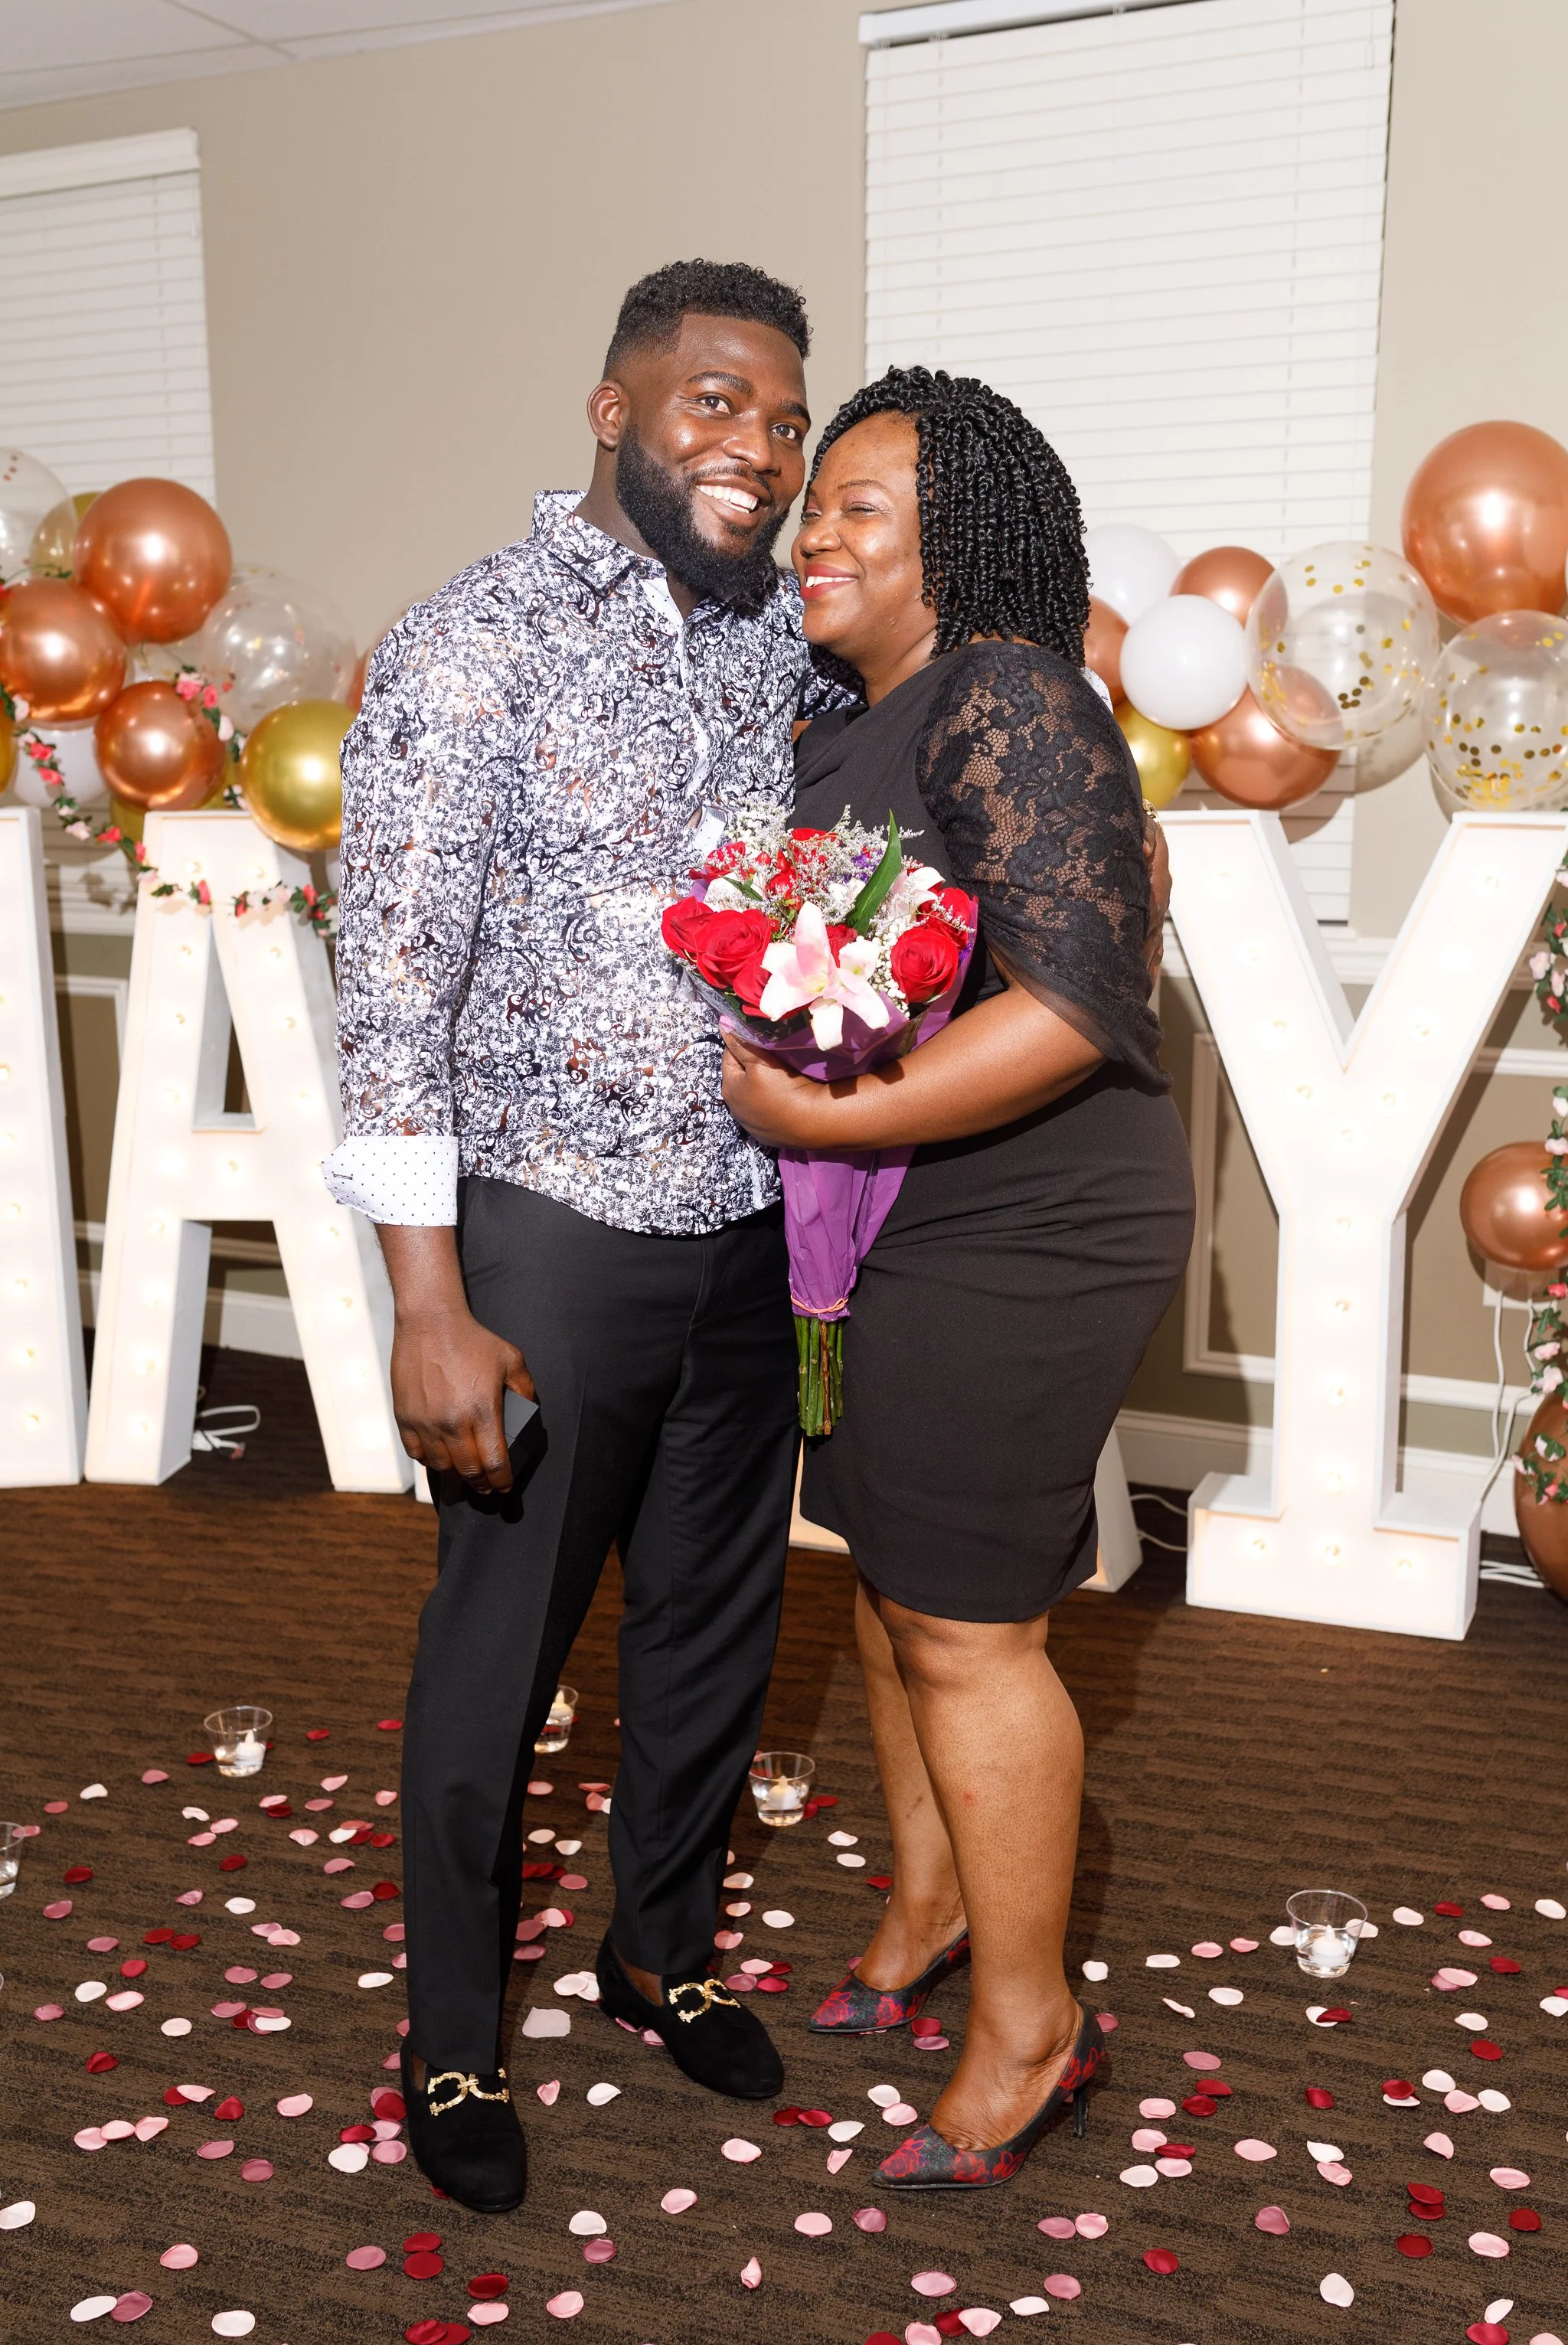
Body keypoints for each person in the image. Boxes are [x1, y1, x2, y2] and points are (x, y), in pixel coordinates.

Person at [323, 260, 852, 2215]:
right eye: (717, 402)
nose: (758, 450)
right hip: (546, 1232)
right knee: (502, 1657)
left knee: (717, 1634)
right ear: (611, 408)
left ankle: (658, 1947)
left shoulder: (781, 643)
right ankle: (452, 2038)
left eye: (786, 421)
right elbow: (387, 985)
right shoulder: (475, 642)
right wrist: (428, 1306)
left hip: (742, 1222)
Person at [720, 367, 1196, 2190]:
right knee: (884, 1565)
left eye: (857, 505)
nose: (811, 528)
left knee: (968, 1623)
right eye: (812, 501)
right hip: (887, 1215)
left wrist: (837, 1126)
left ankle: (1033, 2022)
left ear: (961, 543)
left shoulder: (1011, 693)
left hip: (1026, 1216)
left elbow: (1079, 1005)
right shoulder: (852, 716)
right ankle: (926, 1911)